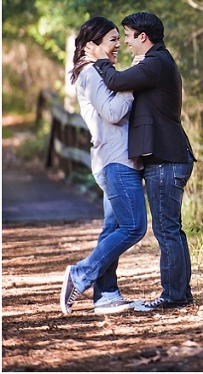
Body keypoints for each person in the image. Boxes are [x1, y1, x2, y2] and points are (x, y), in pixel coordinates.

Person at [85, 11, 196, 311]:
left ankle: (173, 296)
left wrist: (99, 59)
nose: (127, 43)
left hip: (166, 158)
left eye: (129, 37)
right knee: (171, 228)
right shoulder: (157, 62)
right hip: (168, 157)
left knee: (166, 230)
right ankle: (180, 293)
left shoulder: (156, 62)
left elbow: (117, 80)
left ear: (142, 36)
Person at [61, 16, 147, 315]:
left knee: (113, 228)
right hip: (115, 160)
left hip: (116, 159)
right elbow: (112, 113)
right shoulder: (92, 74)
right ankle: (80, 274)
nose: (118, 46)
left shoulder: (95, 72)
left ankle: (106, 294)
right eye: (112, 40)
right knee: (135, 226)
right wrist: (130, 85)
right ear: (91, 45)